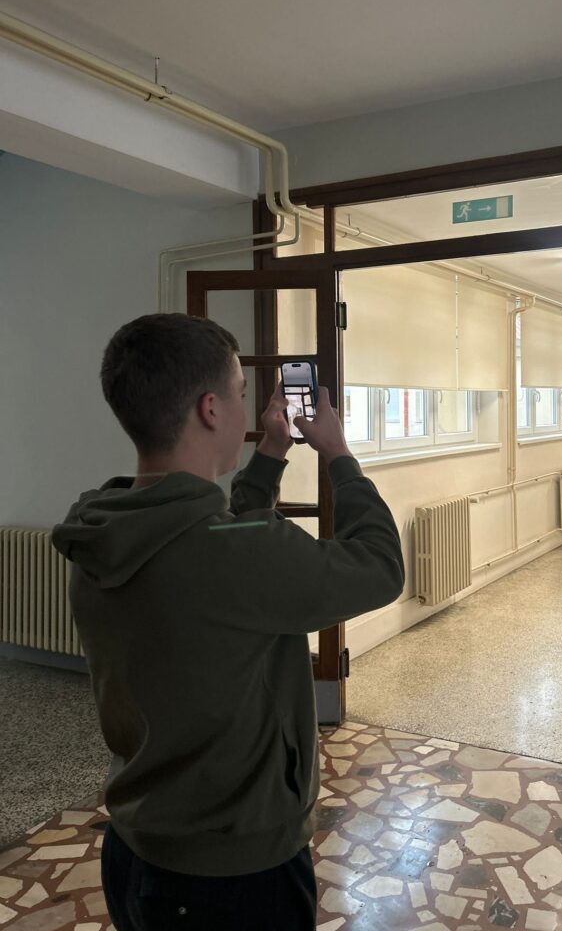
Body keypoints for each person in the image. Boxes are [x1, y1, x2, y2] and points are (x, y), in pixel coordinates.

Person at [51, 313, 405, 930]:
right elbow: (380, 566)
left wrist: (269, 453)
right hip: (234, 878)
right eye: (241, 393)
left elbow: (224, 536)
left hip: (136, 849)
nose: (248, 409)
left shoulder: (101, 530)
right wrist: (338, 454)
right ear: (211, 409)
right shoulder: (235, 553)